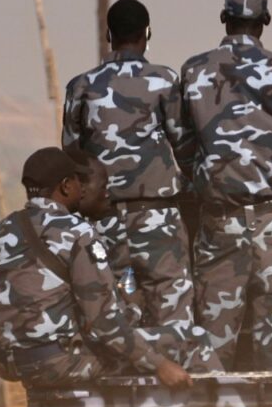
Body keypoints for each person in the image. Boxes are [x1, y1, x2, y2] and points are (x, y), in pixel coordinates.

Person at [178, 0, 272, 369]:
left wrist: (206, 180)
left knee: (213, 348)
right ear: (265, 20)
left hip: (220, 222)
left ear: (224, 18)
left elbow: (183, 146)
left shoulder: (193, 70)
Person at [0, 147, 192, 392]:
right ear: (66, 186)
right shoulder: (77, 232)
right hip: (61, 362)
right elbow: (105, 324)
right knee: (192, 342)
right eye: (77, 182)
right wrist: (159, 364)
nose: (82, 189)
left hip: (12, 364)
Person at [61, 0, 195, 332]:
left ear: (109, 34)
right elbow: (185, 144)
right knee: (171, 306)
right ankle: (172, 375)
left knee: (113, 307)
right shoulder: (164, 81)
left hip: (101, 221)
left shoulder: (81, 86)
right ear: (147, 33)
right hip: (157, 218)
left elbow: (70, 152)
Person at [73, 150, 221, 372]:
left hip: (109, 223)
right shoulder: (76, 237)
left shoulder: (68, 233)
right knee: (183, 333)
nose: (108, 194)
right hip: (157, 215)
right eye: (103, 188)